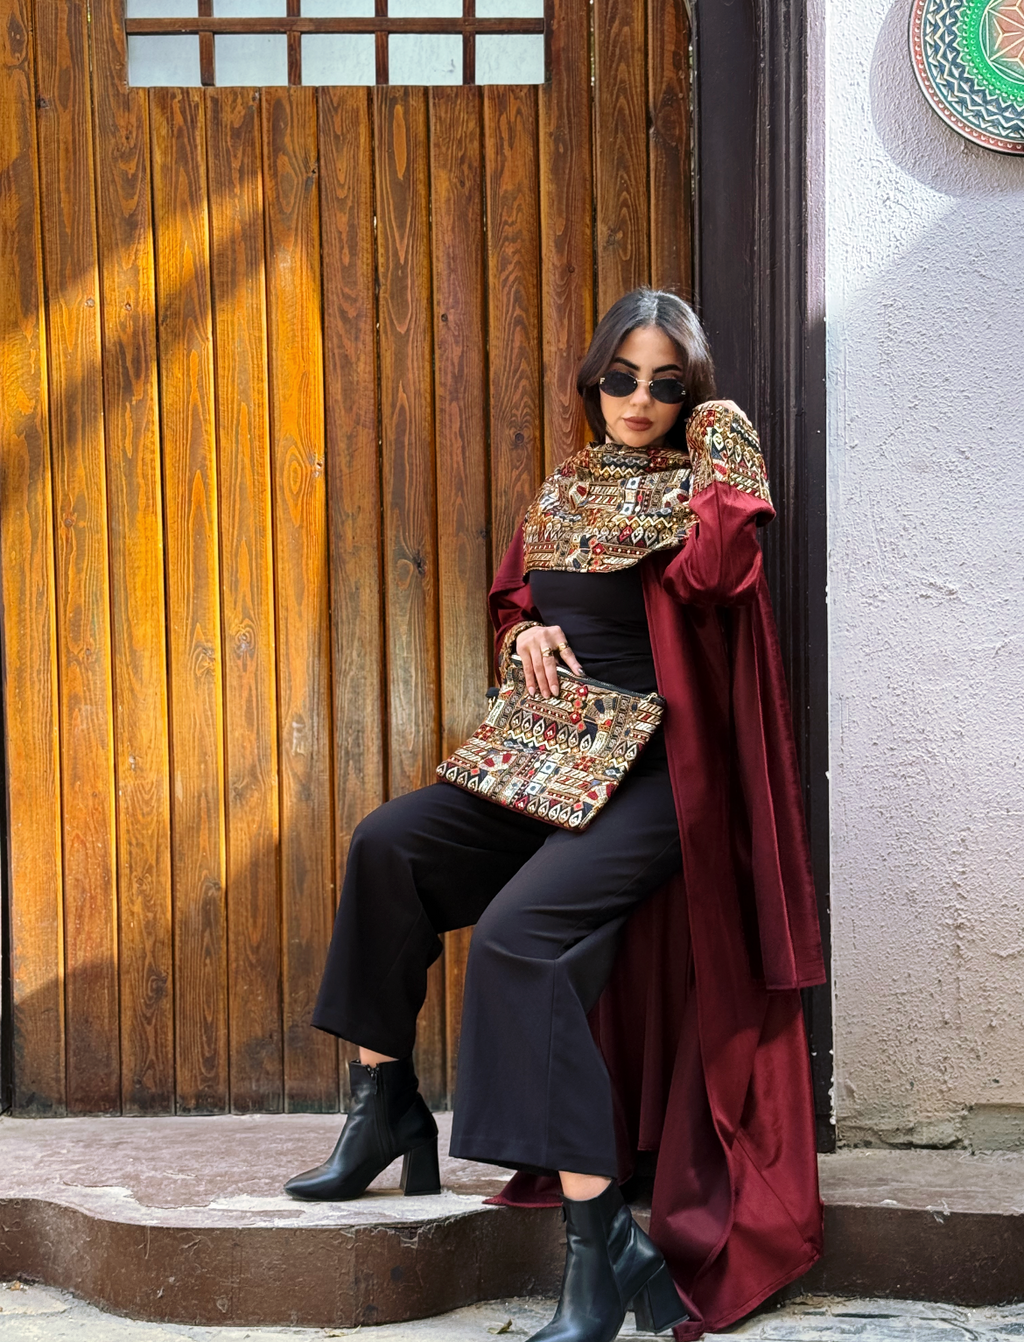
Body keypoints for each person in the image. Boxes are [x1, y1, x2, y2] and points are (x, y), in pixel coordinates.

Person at [285, 288, 826, 1342]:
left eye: (667, 384)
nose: (639, 397)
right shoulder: (570, 484)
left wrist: (725, 436)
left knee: (517, 941)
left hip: (659, 779)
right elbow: (518, 597)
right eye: (621, 376)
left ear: (690, 395)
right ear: (593, 380)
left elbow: (719, 573)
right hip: (550, 758)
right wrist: (524, 631)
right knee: (386, 844)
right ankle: (382, 1104)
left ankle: (599, 1246)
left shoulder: (700, 481)